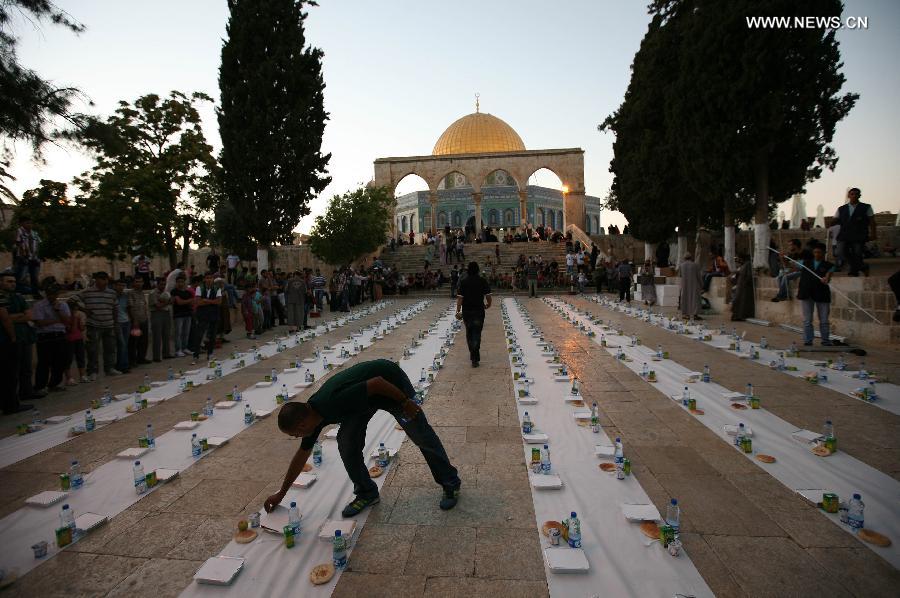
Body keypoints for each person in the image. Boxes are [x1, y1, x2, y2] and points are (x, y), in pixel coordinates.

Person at [266, 359, 461, 516]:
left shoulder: (332, 402)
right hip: (362, 401)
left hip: (389, 384)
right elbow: (301, 455)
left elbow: (376, 383)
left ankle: (450, 482)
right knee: (347, 442)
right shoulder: (312, 417)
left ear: (301, 424)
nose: (297, 437)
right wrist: (281, 493)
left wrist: (405, 402)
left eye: (294, 434)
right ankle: (366, 493)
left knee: (421, 435)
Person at [1, 270, 36, 410]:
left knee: (24, 368)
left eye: (14, 281)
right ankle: (10, 403)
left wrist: (14, 316)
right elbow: (5, 318)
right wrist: (13, 335)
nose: (12, 284)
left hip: (23, 336)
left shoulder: (18, 297)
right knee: (9, 372)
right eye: (9, 281)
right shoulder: (2, 297)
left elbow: (29, 315)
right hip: (7, 340)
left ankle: (25, 393)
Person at [32, 282, 72, 394]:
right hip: (45, 337)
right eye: (50, 294)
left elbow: (67, 321)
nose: (52, 296)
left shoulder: (62, 305)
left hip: (59, 336)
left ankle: (54, 384)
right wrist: (56, 320)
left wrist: (57, 311)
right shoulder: (39, 305)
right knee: (44, 363)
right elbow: (40, 322)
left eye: (54, 294)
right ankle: (40, 386)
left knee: (60, 362)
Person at [80, 272, 120, 380]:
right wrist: (84, 310)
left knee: (110, 348)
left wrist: (115, 323)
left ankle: (110, 368)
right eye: (102, 279)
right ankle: (92, 371)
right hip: (94, 325)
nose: (104, 281)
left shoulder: (112, 293)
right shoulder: (87, 292)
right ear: (96, 280)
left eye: (106, 279)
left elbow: (115, 308)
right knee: (93, 349)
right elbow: (72, 301)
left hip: (108, 324)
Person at [797, 243, 835, 345]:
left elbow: (828, 275)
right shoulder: (805, 262)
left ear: (824, 253)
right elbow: (789, 264)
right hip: (806, 293)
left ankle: (825, 341)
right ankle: (808, 341)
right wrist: (782, 258)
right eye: (815, 252)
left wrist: (826, 279)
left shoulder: (829, 265)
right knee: (807, 320)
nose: (816, 254)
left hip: (822, 294)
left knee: (824, 320)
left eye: (819, 252)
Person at [456, 261, 492, 367]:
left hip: (467, 311)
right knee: (477, 333)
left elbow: (460, 298)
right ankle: (475, 356)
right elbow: (488, 296)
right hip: (479, 311)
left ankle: (473, 355)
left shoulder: (463, 281)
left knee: (469, 332)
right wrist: (488, 304)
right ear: (478, 270)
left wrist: (458, 311)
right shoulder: (482, 281)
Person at [834, 188, 876, 276]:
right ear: (848, 195)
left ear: (859, 195)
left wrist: (873, 234)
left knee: (857, 253)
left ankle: (854, 271)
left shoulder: (866, 207)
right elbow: (835, 219)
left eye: (856, 194)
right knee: (840, 252)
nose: (854, 196)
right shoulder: (841, 209)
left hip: (859, 234)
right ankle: (862, 266)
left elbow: (872, 221)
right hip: (844, 234)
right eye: (852, 194)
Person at [191, 273, 222, 364]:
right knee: (199, 334)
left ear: (213, 279)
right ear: (204, 279)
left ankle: (210, 353)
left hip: (214, 314)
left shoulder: (217, 288)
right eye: (207, 278)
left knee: (212, 335)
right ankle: (196, 355)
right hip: (203, 314)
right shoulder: (199, 288)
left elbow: (219, 302)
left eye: (211, 278)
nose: (209, 280)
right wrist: (212, 302)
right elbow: (198, 302)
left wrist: (206, 300)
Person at [13, 216, 41, 297]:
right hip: (23, 257)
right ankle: (17, 292)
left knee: (34, 276)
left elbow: (38, 244)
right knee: (21, 276)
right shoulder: (20, 231)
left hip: (34, 258)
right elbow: (18, 243)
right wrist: (24, 255)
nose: (29, 225)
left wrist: (37, 256)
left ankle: (35, 293)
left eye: (30, 223)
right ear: (21, 223)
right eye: (27, 223)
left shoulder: (34, 233)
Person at [127, 276, 150, 366]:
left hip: (144, 319)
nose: (139, 283)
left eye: (140, 282)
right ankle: (132, 361)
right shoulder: (130, 293)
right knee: (133, 341)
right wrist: (134, 320)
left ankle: (141, 358)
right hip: (135, 321)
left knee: (144, 340)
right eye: (137, 281)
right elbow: (130, 307)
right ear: (133, 283)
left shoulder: (141, 293)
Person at [65, 296, 88, 384]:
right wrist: (74, 318)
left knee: (81, 357)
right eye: (73, 310)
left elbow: (81, 328)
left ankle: (82, 375)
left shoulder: (79, 315)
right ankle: (69, 378)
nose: (75, 311)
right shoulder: (66, 318)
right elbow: (72, 329)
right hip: (69, 340)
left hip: (78, 338)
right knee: (68, 359)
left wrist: (82, 322)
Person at [148, 277, 172, 362]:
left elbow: (170, 301)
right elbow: (157, 306)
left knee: (166, 335)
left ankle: (166, 353)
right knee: (157, 336)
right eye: (161, 284)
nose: (163, 286)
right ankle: (156, 356)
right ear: (157, 284)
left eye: (164, 284)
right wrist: (166, 302)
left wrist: (164, 302)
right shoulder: (153, 293)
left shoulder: (166, 292)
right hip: (156, 314)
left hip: (166, 313)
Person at [171, 275, 193, 357]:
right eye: (179, 282)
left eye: (182, 282)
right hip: (178, 315)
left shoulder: (188, 292)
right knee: (178, 333)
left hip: (187, 314)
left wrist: (186, 301)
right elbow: (179, 302)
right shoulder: (174, 292)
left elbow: (192, 302)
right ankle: (178, 350)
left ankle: (184, 348)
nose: (180, 284)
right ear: (176, 283)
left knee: (186, 333)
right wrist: (188, 301)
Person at [730, 254, 755, 321]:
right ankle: (736, 316)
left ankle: (740, 316)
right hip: (740, 286)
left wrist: (744, 283)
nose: (738, 260)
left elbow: (749, 276)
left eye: (739, 258)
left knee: (741, 302)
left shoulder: (748, 264)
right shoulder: (743, 265)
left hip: (744, 287)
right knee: (737, 301)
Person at [678, 254, 702, 319]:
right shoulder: (695, 265)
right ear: (691, 258)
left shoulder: (681, 265)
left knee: (685, 298)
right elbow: (699, 276)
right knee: (695, 299)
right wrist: (701, 284)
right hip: (694, 285)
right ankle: (695, 314)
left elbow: (680, 275)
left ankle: (685, 314)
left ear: (684, 258)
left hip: (685, 285)